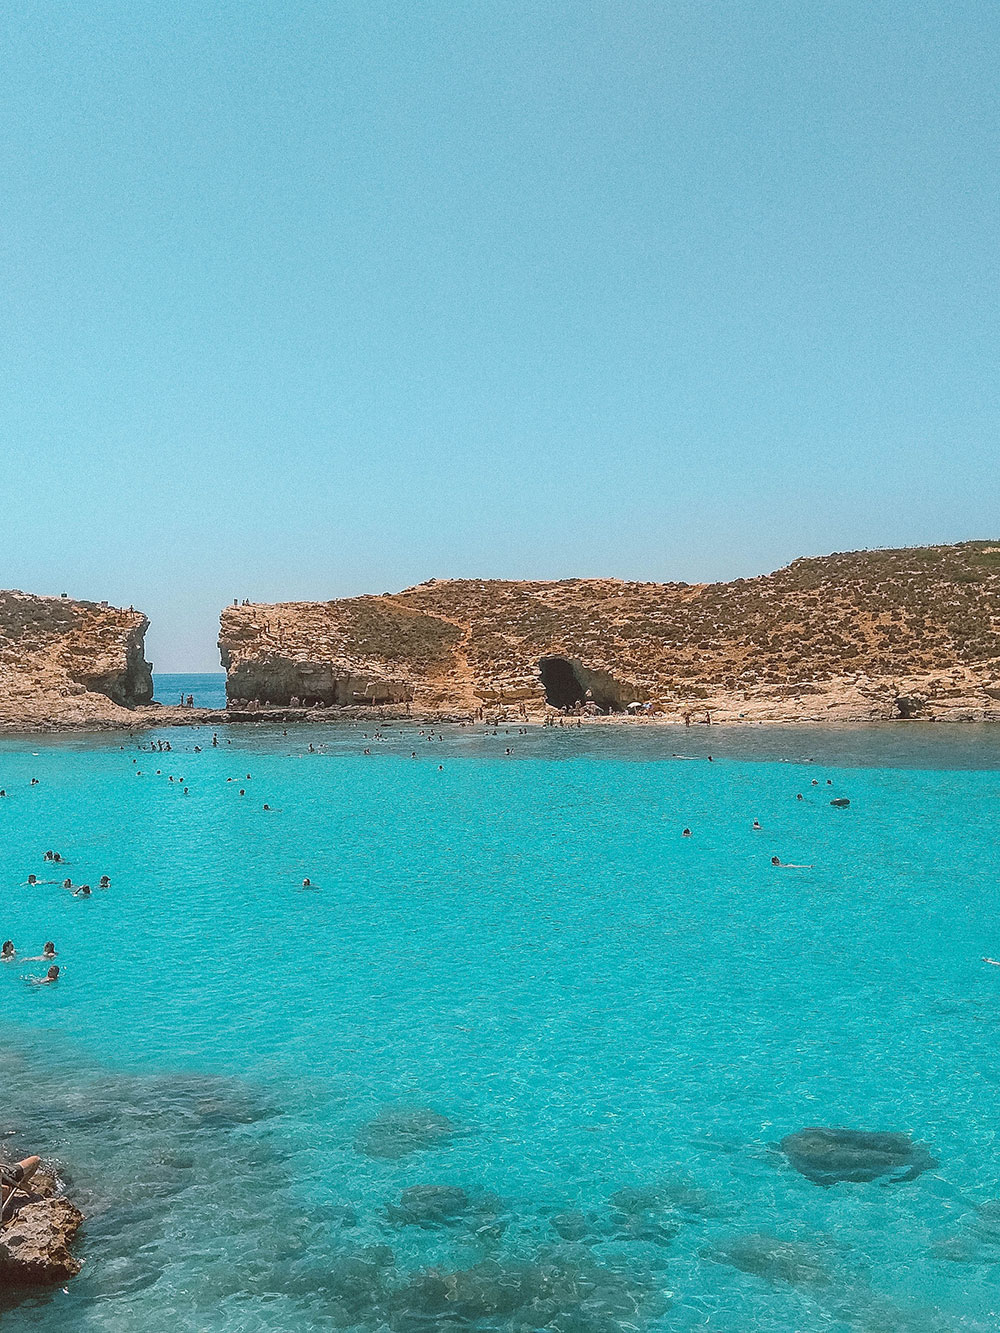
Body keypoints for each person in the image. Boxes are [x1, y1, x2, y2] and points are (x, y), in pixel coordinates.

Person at [1, 1156, 41, 1220]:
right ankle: (24, 1183)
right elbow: (6, 1190)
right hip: (9, 1176)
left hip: (6, 1173)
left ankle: (23, 1183)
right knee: (36, 1159)